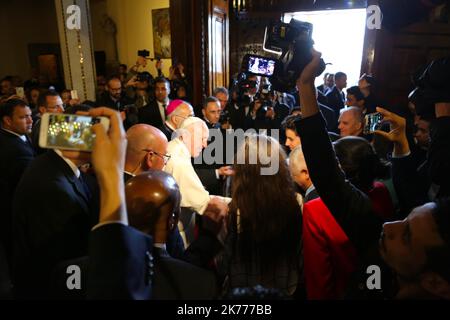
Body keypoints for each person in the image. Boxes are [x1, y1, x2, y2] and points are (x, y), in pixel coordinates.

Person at [296, 48, 450, 299]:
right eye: (406, 219)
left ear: (434, 282)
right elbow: (327, 176)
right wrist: (305, 85)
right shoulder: (377, 248)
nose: (389, 225)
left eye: (407, 235)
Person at [217, 134, 303, 297]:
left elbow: (225, 259)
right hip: (286, 287)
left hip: (243, 291)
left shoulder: (234, 210)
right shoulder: (296, 202)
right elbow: (300, 251)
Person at [0, 99, 35, 268]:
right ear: (7, 120)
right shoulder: (14, 150)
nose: (30, 121)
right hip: (14, 213)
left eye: (30, 116)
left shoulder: (18, 136)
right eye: (24, 117)